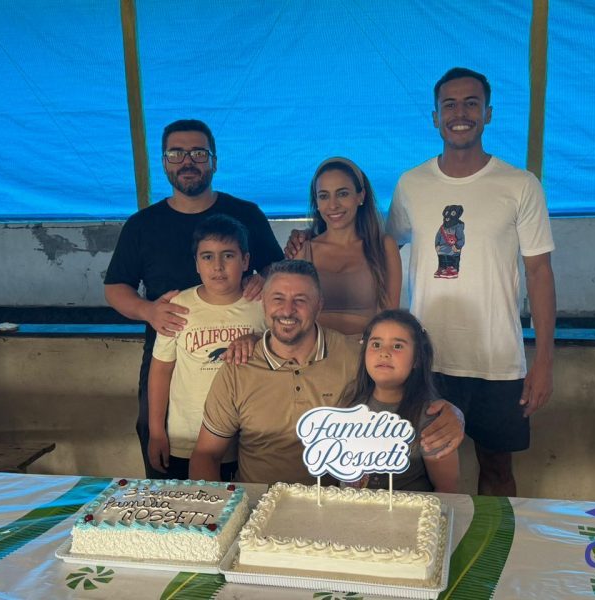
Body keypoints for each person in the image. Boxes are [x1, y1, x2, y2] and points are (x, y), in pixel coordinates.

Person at [386, 67, 556, 497]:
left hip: (496, 360)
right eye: (449, 105)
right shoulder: (411, 184)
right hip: (426, 360)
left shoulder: (520, 185)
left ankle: (492, 542)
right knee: (420, 469)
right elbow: (384, 248)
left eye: (471, 103)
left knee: (497, 470)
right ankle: (431, 541)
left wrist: (543, 361)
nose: (459, 113)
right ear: (435, 117)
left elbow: (539, 272)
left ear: (488, 113)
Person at [104, 119, 283, 478]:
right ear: (164, 162)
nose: (188, 161)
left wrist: (263, 279)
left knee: (249, 466)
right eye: (176, 153)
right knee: (167, 459)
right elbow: (115, 287)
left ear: (214, 161)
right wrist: (148, 311)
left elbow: (280, 272)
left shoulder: (246, 214)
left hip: (244, 363)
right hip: (172, 358)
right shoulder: (142, 225)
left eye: (199, 153)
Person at [189, 260, 464, 484]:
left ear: (319, 304)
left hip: (337, 510)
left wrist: (453, 414)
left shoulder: (356, 357)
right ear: (264, 303)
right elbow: (206, 454)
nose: (287, 310)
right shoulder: (238, 366)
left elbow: (407, 389)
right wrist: (222, 514)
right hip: (257, 508)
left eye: (300, 300)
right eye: (278, 299)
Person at [147, 215, 264, 480]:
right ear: (196, 264)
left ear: (245, 261)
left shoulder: (262, 306)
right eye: (208, 257)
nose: (218, 266)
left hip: (246, 440)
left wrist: (257, 338)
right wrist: (156, 432)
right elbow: (161, 370)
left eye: (228, 256)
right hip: (186, 438)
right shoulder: (178, 307)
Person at [341, 309, 459, 493]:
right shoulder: (350, 399)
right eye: (376, 344)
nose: (384, 353)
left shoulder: (431, 418)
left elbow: (447, 488)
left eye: (397, 346)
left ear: (417, 359)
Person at [296, 157, 402, 335]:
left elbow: (390, 318)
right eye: (324, 196)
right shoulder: (302, 250)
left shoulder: (384, 247)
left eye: (342, 194)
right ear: (317, 203)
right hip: (314, 351)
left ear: (361, 196)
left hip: (365, 350)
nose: (333, 205)